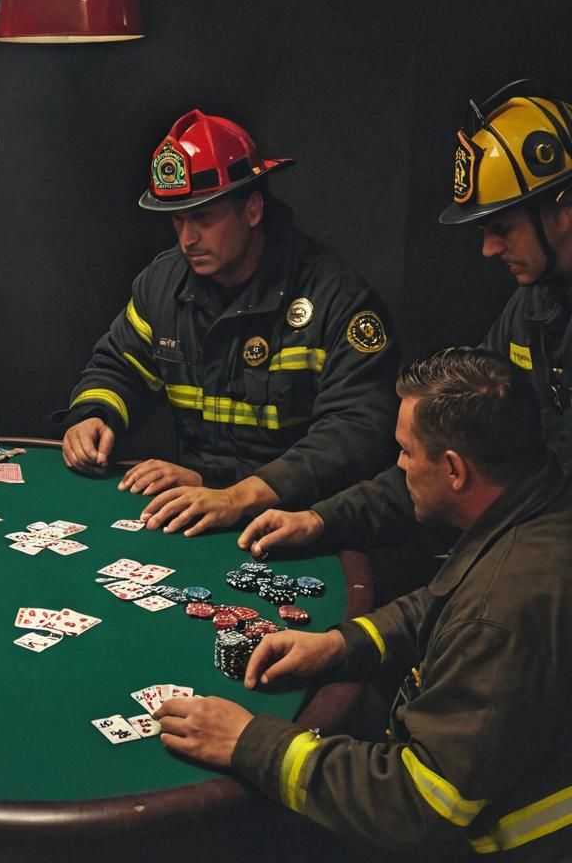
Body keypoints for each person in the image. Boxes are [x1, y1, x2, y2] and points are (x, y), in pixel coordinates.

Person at [158, 347, 572, 858]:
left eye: (406, 452)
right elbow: (444, 604)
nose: (397, 466)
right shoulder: (539, 506)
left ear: (454, 471)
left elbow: (416, 806)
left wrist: (249, 742)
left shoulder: (502, 608)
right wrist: (339, 642)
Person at [239, 81, 572, 560]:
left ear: (562, 209)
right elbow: (440, 456)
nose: (488, 249)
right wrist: (322, 519)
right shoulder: (532, 305)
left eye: (502, 228)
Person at [58, 108, 401, 535]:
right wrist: (93, 415)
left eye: (203, 218)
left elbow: (357, 434)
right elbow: (119, 366)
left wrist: (237, 495)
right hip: (195, 507)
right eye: (178, 220)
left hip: (295, 524)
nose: (188, 239)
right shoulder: (161, 285)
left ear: (253, 209)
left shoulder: (337, 299)